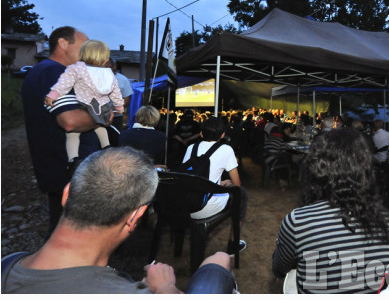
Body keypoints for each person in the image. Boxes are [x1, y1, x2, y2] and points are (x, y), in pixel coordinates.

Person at [1, 147, 237, 294]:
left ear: (67, 193)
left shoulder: (7, 263)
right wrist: (166, 288)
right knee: (218, 263)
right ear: (135, 217)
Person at [272, 128, 389, 294]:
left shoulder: (299, 221)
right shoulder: (384, 218)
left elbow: (279, 269)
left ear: (315, 167)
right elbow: (388, 277)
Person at [21, 26, 102, 234]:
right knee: (71, 235)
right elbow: (70, 121)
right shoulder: (55, 72)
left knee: (62, 232)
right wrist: (103, 118)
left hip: (59, 168)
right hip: (69, 171)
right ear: (63, 44)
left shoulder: (42, 71)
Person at [44, 39, 124, 162]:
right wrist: (119, 106)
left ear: (82, 55)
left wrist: (53, 95)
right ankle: (107, 147)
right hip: (103, 107)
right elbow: (116, 92)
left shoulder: (77, 68)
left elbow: (64, 84)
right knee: (100, 127)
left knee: (73, 134)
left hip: (85, 105)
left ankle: (73, 159)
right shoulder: (109, 73)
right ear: (105, 60)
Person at [181, 117, 247, 255]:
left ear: (201, 134)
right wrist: (225, 182)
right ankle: (233, 245)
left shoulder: (191, 148)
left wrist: (218, 183)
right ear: (223, 135)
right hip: (205, 206)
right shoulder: (226, 149)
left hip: (185, 205)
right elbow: (237, 184)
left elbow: (193, 176)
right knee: (242, 193)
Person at [106, 57, 133, 132]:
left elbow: (127, 100)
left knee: (115, 140)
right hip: (98, 117)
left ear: (115, 66)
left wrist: (113, 109)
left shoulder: (123, 80)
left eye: (110, 67)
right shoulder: (96, 77)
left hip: (116, 117)